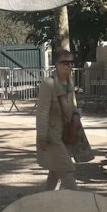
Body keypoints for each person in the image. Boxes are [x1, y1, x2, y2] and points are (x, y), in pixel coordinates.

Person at [36, 49, 79, 191]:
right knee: (66, 170)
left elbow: (72, 105)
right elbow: (42, 111)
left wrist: (76, 115)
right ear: (56, 64)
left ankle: (47, 199)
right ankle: (78, 202)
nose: (69, 66)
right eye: (65, 63)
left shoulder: (70, 81)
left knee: (55, 170)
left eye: (71, 63)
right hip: (52, 135)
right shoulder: (48, 83)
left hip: (66, 133)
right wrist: (41, 137)